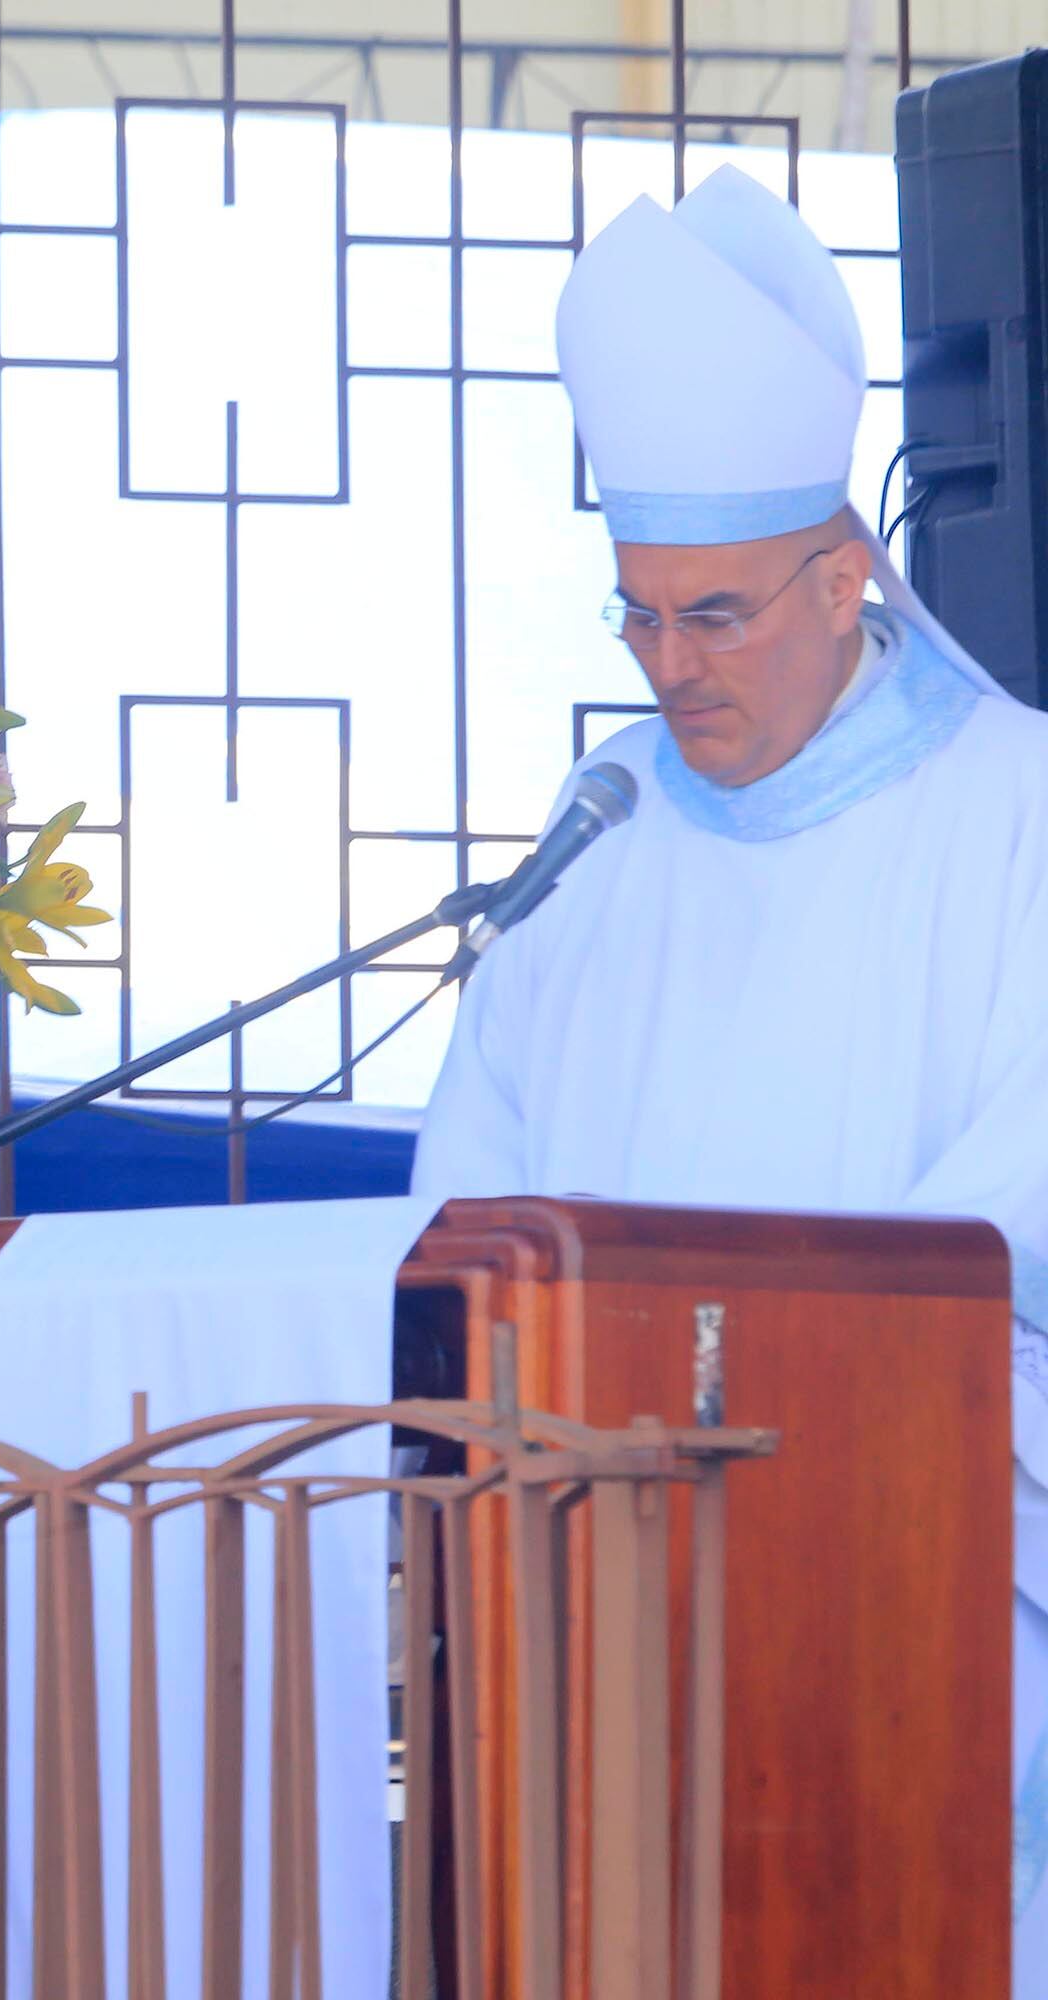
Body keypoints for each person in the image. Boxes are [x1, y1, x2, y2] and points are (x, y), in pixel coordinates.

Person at [408, 165, 1048, 1986]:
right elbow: (470, 1193)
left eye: (716, 615)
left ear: (845, 579)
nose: (670, 667)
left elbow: (1014, 1211)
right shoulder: (606, 821)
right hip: (592, 1580)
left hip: (901, 1568)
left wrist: (745, 1377)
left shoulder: (1019, 815)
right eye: (638, 616)